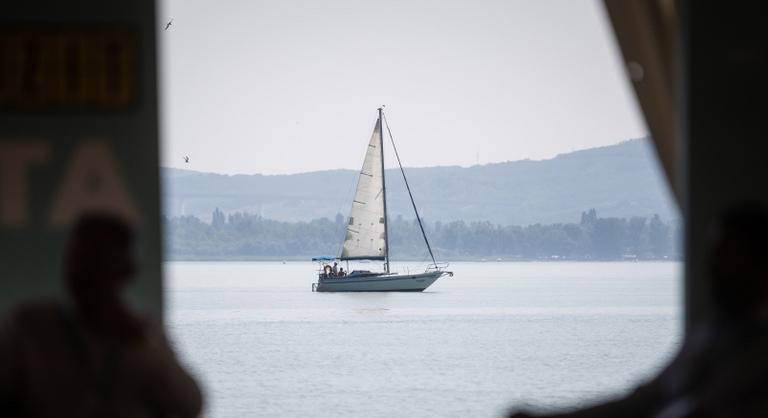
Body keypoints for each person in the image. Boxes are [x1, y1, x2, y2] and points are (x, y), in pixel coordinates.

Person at [508, 205, 768, 418]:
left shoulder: (754, 353)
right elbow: (641, 401)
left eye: (730, 260)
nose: (713, 272)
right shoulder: (707, 337)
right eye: (715, 258)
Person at [0, 212, 203, 418]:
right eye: (78, 258)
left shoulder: (143, 337)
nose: (82, 269)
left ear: (127, 270)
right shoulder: (29, 327)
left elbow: (189, 404)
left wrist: (144, 344)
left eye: (95, 261)